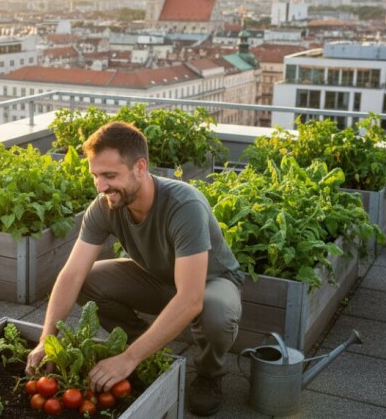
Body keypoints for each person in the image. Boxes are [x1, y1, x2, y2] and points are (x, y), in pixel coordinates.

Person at [25, 121, 243, 416]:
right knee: (87, 280)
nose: (101, 186)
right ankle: (143, 345)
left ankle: (208, 374)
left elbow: (191, 298)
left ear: (140, 167)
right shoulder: (105, 205)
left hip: (208, 283)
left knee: (216, 314)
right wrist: (47, 340)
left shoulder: (184, 206)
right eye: (96, 176)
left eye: (110, 176)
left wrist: (127, 360)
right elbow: (72, 273)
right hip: (156, 278)